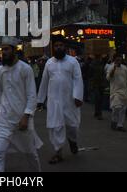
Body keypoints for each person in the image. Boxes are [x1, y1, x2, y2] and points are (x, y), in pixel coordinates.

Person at [0, 37, 42, 172]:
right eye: (2, 50)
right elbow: (0, 93)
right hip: (4, 118)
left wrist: (26, 116)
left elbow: (31, 95)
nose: (3, 52)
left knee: (30, 153)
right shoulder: (0, 71)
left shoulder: (25, 69)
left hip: (22, 118)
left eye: (6, 49)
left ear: (14, 50)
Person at [37, 35, 84, 164]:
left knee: (72, 126)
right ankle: (58, 152)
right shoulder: (49, 63)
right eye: (56, 46)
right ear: (53, 47)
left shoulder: (73, 62)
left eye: (61, 45)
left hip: (70, 100)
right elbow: (44, 82)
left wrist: (78, 96)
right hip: (54, 101)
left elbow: (78, 79)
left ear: (65, 47)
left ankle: (72, 140)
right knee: (55, 126)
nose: (58, 48)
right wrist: (40, 100)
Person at [106, 56, 127, 132]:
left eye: (120, 60)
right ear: (115, 60)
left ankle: (120, 125)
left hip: (124, 90)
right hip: (115, 91)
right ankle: (114, 121)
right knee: (116, 107)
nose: (119, 61)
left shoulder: (124, 68)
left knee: (123, 108)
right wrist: (114, 67)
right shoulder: (111, 67)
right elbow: (108, 77)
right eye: (117, 60)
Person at [89, 54, 107, 120]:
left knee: (100, 98)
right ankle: (99, 113)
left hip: (101, 83)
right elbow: (90, 75)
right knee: (98, 97)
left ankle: (97, 111)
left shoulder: (103, 64)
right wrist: (91, 84)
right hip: (95, 83)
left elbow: (103, 73)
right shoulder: (92, 65)